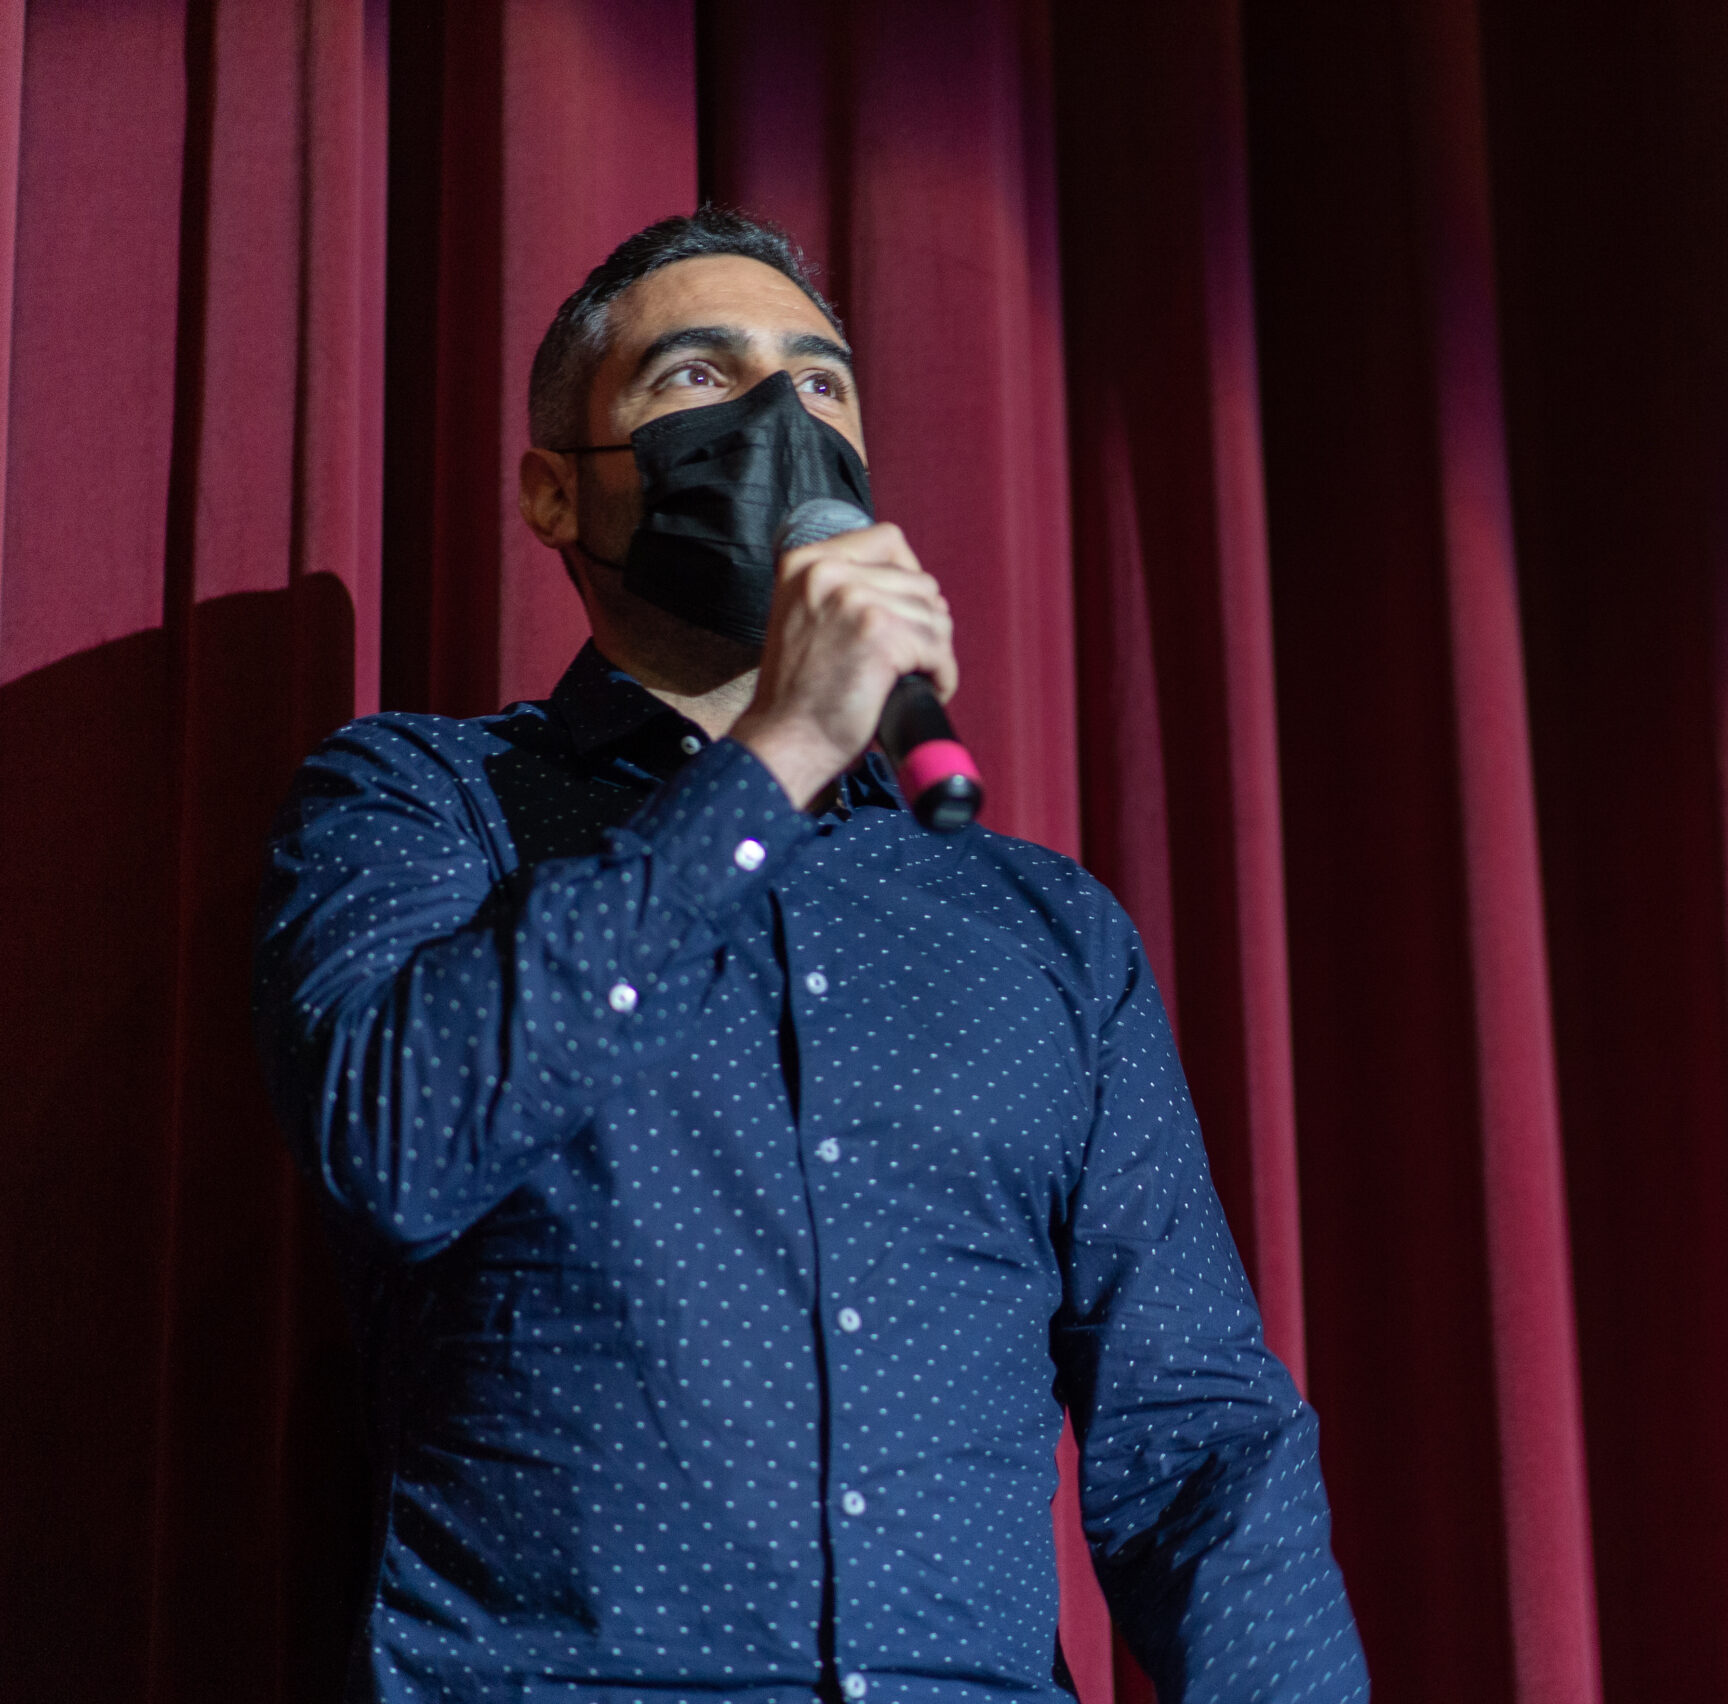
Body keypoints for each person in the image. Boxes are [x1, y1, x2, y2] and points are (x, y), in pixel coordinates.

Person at [254, 208, 1368, 1704]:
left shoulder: (1039, 926)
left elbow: (1199, 1441)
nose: (780, 415)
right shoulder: (421, 801)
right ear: (554, 492)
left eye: (821, 381)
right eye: (698, 377)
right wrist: (777, 749)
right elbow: (391, 1138)